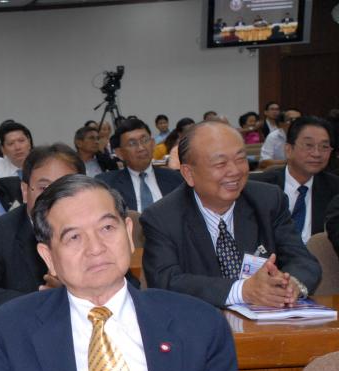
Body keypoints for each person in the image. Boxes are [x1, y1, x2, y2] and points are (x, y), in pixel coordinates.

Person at [0, 175, 258, 371]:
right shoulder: (11, 330)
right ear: (48, 257)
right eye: (74, 237)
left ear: (128, 233)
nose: (96, 248)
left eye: (107, 228)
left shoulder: (198, 323)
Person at [141, 121, 321, 308]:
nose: (235, 171)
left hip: (265, 321)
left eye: (241, 159)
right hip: (199, 320)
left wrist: (290, 285)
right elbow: (166, 282)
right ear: (188, 174)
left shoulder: (267, 201)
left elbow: (302, 260)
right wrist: (242, 291)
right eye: (220, 163)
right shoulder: (161, 218)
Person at [0, 144, 84, 318]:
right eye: (44, 188)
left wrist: (73, 293)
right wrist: (40, 298)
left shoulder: (96, 228)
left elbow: (119, 286)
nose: (55, 197)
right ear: (24, 191)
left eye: (66, 188)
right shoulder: (2, 231)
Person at [254, 117, 339, 244]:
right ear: (288, 150)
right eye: (309, 145)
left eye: (324, 146)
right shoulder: (260, 187)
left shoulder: (335, 188)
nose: (317, 153)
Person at [96, 118, 183, 212]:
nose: (141, 148)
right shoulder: (107, 184)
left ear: (153, 144)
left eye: (145, 140)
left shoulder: (175, 179)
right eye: (132, 143)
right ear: (120, 153)